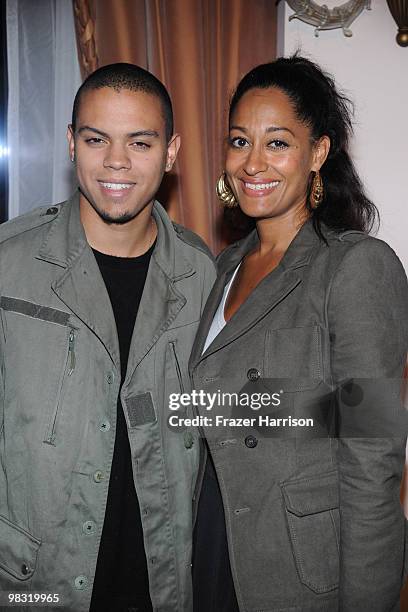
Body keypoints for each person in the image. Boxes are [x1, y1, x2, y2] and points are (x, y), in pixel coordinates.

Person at [190, 55, 408, 611]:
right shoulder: (223, 267)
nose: (252, 163)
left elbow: (372, 460)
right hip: (214, 537)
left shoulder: (356, 267)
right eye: (239, 142)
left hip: (296, 567)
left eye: (277, 143)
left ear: (318, 153)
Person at [0, 63, 215, 612]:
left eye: (139, 142)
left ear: (171, 152)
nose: (116, 161)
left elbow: (224, 417)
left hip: (161, 587)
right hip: (34, 586)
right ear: (72, 144)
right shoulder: (9, 264)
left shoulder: (202, 275)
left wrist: (356, 410)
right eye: (97, 139)